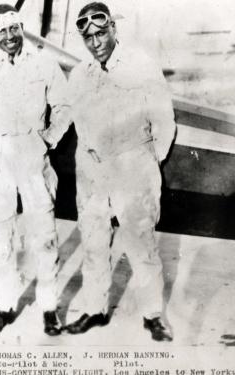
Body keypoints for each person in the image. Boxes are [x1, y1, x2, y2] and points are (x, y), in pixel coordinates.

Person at [41, 1, 176, 341]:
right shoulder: (80, 74)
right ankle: (95, 310)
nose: (96, 42)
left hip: (133, 167)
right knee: (94, 243)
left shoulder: (141, 65)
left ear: (114, 29)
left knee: (141, 243)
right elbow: (65, 115)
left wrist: (147, 164)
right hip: (92, 172)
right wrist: (42, 140)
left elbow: (164, 122)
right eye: (89, 37)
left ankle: (153, 316)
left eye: (102, 33)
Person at [0, 3, 70, 336]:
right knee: (0, 241)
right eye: (1, 31)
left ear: (21, 29)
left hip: (34, 161)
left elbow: (64, 108)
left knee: (45, 238)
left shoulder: (44, 65)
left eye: (14, 28)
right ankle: (5, 307)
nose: (9, 36)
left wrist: (48, 140)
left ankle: (49, 308)